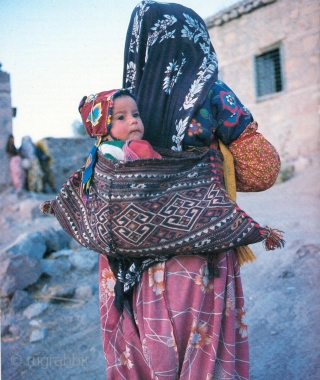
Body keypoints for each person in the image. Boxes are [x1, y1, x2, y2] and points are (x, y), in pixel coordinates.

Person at [97, 2, 281, 379]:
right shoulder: (210, 93)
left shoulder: (122, 108)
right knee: (203, 360)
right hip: (200, 250)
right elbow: (264, 169)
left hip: (131, 258)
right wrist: (215, 160)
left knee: (150, 354)